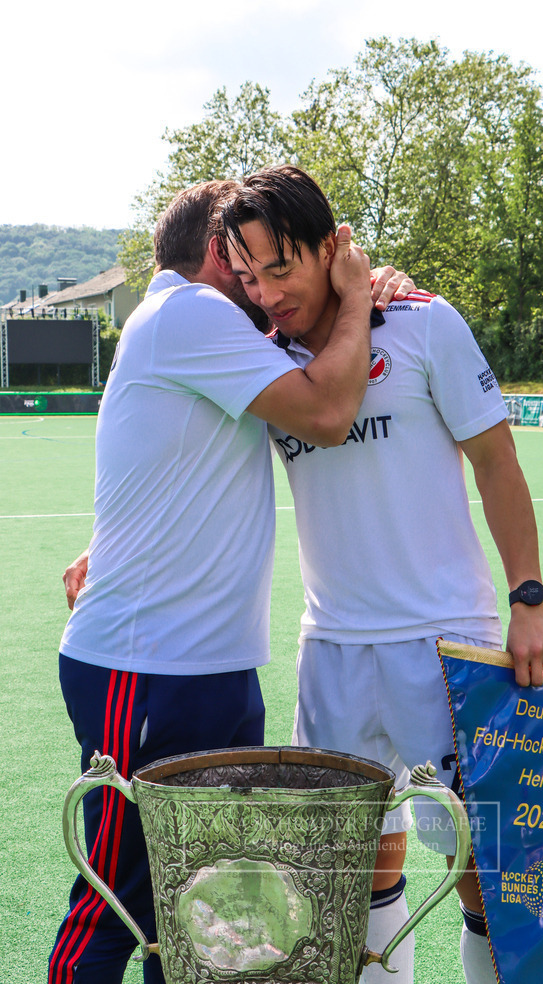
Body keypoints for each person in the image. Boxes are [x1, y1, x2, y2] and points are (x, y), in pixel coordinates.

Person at [50, 178, 411, 984]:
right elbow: (325, 413)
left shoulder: (186, 322)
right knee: (118, 899)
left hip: (196, 668)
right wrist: (354, 296)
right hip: (148, 668)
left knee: (189, 904)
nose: (261, 286)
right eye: (248, 264)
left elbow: (168, 467)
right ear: (219, 252)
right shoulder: (192, 312)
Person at [215, 165, 543, 984]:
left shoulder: (423, 322)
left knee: (479, 857)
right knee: (358, 863)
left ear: (332, 248)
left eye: (281, 267)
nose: (267, 294)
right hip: (330, 646)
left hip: (445, 639)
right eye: (249, 274)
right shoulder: (264, 357)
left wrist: (529, 599)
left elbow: (498, 466)